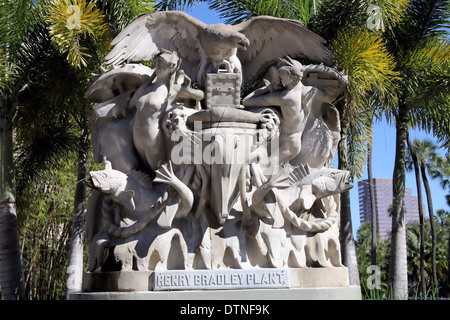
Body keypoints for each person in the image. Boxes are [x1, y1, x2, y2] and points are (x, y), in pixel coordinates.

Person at [243, 57, 310, 166]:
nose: (280, 76)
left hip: (287, 145)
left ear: (291, 75)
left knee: (262, 170)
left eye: (283, 73)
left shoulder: (284, 97)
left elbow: (247, 101)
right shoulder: (304, 90)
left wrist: (266, 89)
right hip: (294, 142)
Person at [129, 50, 182, 174]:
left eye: (162, 66)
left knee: (159, 174)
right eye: (157, 64)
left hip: (152, 139)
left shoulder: (170, 91)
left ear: (170, 68)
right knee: (144, 173)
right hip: (136, 139)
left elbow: (197, 94)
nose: (158, 68)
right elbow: (129, 106)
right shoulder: (145, 88)